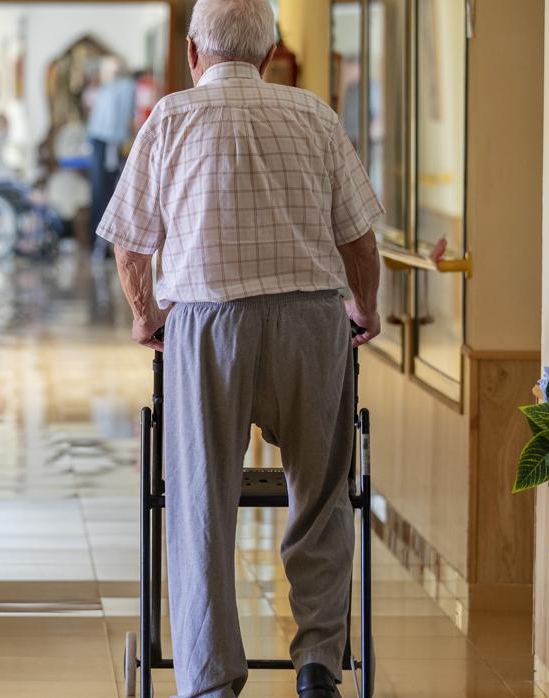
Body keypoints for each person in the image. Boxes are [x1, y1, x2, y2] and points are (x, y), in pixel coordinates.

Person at [96, 1, 383, 697]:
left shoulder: (170, 117)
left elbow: (131, 245)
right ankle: (318, 663)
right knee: (320, 495)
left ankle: (210, 679)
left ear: (195, 52)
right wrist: (363, 308)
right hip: (310, 325)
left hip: (207, 324)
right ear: (269, 51)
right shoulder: (313, 114)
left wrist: (147, 319)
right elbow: (358, 239)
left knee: (201, 502)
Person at [87, 57, 137, 260]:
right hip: (102, 142)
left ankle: (104, 244)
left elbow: (119, 121)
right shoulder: (107, 90)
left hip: (111, 143)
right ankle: (99, 244)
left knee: (110, 194)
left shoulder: (126, 88)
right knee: (101, 193)